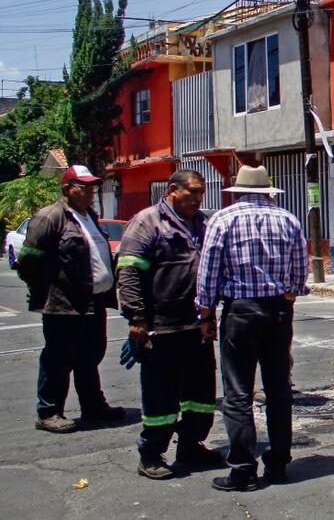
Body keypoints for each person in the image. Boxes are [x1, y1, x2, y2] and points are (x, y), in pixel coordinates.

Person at [196, 165, 308, 491]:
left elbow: (208, 274)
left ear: (240, 190)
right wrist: (288, 292)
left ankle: (243, 470)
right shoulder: (288, 220)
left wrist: (205, 314)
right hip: (277, 312)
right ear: (267, 191)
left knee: (237, 394)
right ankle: (278, 465)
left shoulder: (223, 219)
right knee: (278, 390)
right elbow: (300, 272)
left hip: (240, 314)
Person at [116, 170, 223, 479]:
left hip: (197, 326)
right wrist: (136, 318)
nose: (197, 199)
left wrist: (210, 314)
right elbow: (129, 273)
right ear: (171, 190)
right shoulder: (147, 222)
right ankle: (151, 453)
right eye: (192, 193)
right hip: (160, 328)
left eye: (201, 193)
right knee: (161, 396)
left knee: (201, 394)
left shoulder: (202, 223)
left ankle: (191, 445)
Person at [18, 164, 125, 433]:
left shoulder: (88, 215)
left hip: (94, 302)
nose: (91, 191)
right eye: (84, 186)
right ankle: (49, 411)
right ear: (67, 189)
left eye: (93, 186)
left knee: (90, 356)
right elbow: (28, 261)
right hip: (63, 304)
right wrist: (45, 288)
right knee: (58, 358)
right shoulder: (50, 217)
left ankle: (93, 406)